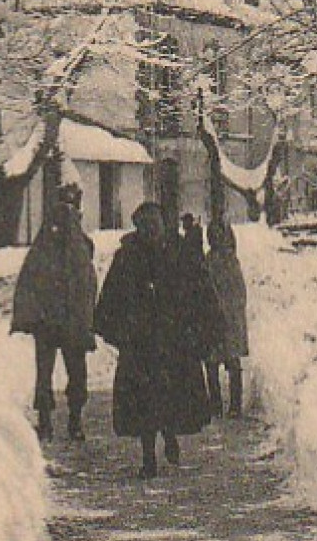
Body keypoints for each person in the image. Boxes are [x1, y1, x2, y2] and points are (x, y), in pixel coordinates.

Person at [94, 202, 221, 477]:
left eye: (155, 225)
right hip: (143, 344)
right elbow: (110, 300)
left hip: (170, 342)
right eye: (147, 226)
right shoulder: (128, 257)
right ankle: (149, 457)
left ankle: (170, 437)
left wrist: (200, 326)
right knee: (147, 404)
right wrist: (121, 332)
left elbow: (199, 291)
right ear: (140, 228)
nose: (152, 231)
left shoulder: (177, 253)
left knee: (165, 398)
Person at [11, 184, 98, 441]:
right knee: (76, 370)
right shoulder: (81, 245)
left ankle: (46, 422)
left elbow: (29, 280)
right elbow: (87, 284)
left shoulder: (44, 241)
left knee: (45, 371)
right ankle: (75, 421)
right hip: (71, 320)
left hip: (46, 321)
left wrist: (29, 316)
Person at [203, 217, 249, 418]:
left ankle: (234, 405)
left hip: (229, 320)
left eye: (218, 235)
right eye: (213, 235)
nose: (215, 239)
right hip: (213, 319)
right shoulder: (207, 260)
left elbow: (239, 292)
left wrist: (230, 312)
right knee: (211, 364)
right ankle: (216, 404)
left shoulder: (230, 261)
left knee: (232, 362)